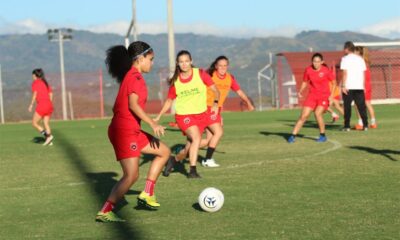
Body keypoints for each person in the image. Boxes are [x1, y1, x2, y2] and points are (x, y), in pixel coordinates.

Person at [95, 41, 171, 222]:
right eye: (150, 59)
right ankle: (106, 211)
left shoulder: (132, 75)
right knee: (131, 175)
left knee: (164, 152)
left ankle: (147, 194)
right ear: (140, 58)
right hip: (125, 131)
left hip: (130, 130)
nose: (152, 63)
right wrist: (153, 123)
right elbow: (133, 105)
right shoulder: (135, 78)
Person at [173, 55, 255, 167]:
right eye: (220, 65)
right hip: (206, 108)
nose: (222, 68)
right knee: (219, 132)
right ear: (216, 66)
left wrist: (248, 103)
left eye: (225, 65)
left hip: (216, 110)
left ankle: (184, 151)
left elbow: (239, 92)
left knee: (208, 141)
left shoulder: (230, 78)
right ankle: (207, 159)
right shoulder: (209, 75)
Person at [154, 50, 220, 178]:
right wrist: (159, 116)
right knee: (196, 138)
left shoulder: (200, 74)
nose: (184, 64)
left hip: (201, 115)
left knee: (187, 150)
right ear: (178, 64)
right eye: (181, 62)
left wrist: (216, 104)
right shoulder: (176, 81)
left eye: (186, 61)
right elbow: (169, 101)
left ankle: (174, 160)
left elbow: (215, 90)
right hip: (184, 116)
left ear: (191, 61)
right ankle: (192, 171)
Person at [287, 53, 335, 143]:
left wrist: (331, 96)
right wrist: (300, 91)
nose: (316, 63)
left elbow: (334, 82)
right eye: (314, 61)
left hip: (324, 96)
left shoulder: (326, 71)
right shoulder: (308, 70)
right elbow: (305, 82)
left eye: (318, 61)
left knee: (317, 113)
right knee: (303, 116)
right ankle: (293, 135)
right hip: (312, 96)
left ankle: (322, 135)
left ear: (322, 62)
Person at [340, 41, 368, 131]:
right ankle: (365, 125)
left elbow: (345, 72)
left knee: (347, 107)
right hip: (359, 86)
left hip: (348, 86)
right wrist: (363, 85)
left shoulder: (345, 59)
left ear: (347, 49)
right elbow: (363, 73)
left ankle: (347, 126)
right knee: (361, 107)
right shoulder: (360, 59)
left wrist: (343, 85)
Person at [28, 68, 54, 146]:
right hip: (49, 105)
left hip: (42, 105)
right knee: (46, 123)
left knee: (34, 123)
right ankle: (49, 140)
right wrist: (49, 103)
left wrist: (31, 104)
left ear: (35, 75)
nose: (32, 77)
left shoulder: (35, 83)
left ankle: (48, 137)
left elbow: (35, 94)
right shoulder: (45, 82)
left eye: (32, 75)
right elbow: (51, 94)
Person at [354, 46, 377, 129]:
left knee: (357, 104)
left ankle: (360, 124)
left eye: (355, 52)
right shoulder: (365, 61)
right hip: (367, 85)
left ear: (359, 53)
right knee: (367, 104)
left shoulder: (360, 62)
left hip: (362, 85)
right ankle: (373, 123)